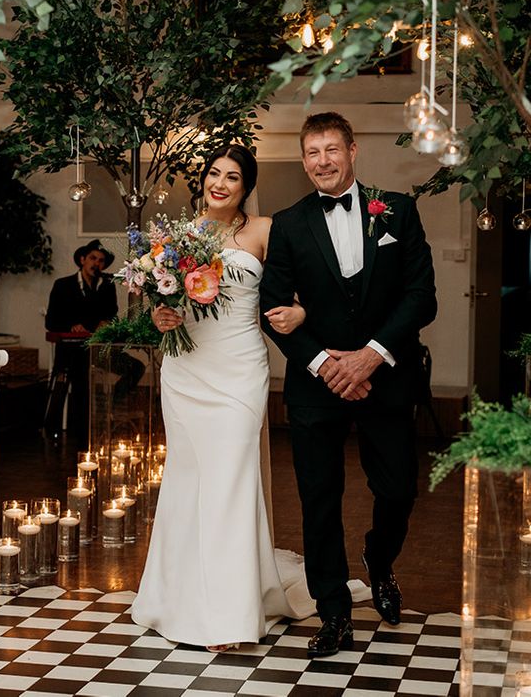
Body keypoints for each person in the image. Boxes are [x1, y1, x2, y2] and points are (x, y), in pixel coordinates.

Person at [131, 145, 369, 652]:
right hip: (186, 367)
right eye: (214, 173)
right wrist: (160, 317)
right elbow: (157, 302)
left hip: (238, 370)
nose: (220, 183)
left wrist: (303, 315)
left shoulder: (265, 230)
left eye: (232, 177)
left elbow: (307, 289)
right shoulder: (175, 235)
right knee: (188, 479)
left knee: (231, 482)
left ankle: (228, 612)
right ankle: (175, 598)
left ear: (246, 186)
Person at [259, 112, 437, 658]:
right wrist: (327, 366)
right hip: (317, 385)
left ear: (353, 150)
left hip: (384, 378)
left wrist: (369, 358)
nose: (321, 162)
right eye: (311, 153)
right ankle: (333, 612)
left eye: (331, 149)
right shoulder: (288, 224)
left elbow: (420, 297)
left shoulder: (398, 211)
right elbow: (275, 308)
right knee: (319, 500)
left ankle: (379, 560)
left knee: (399, 487)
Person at [45, 239, 131, 439]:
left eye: (101, 261)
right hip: (71, 352)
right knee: (83, 379)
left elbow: (112, 314)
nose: (96, 264)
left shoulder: (107, 287)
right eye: (93, 258)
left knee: (134, 368)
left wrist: (106, 323)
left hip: (99, 350)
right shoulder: (63, 285)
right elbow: (51, 321)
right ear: (82, 259)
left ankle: (107, 409)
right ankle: (82, 434)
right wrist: (71, 326)